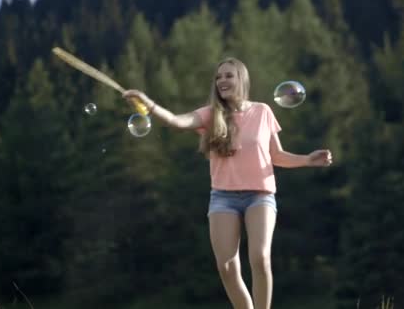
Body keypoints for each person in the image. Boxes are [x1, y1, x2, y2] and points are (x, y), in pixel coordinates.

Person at [123, 57, 333, 309]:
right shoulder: (210, 115)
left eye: (228, 75)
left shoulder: (263, 111)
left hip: (260, 194)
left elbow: (276, 156)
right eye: (218, 77)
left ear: (242, 79)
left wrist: (307, 160)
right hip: (223, 197)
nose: (222, 80)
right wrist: (150, 105)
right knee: (226, 267)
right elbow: (177, 122)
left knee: (260, 257)